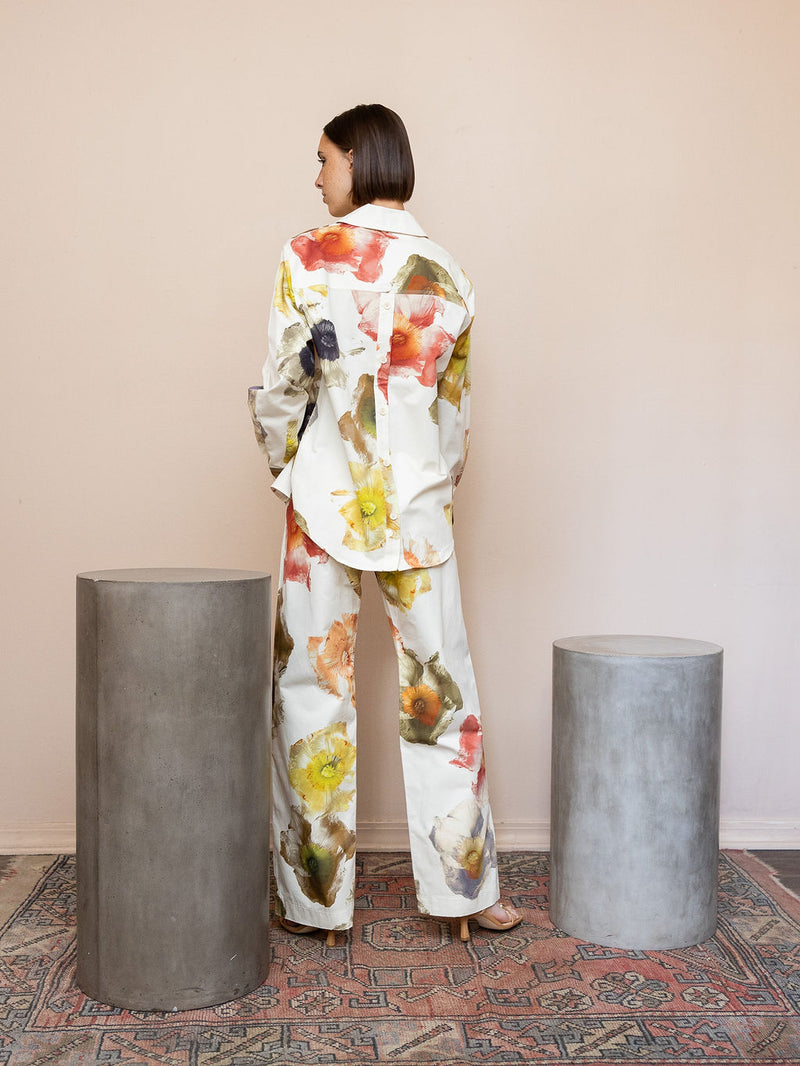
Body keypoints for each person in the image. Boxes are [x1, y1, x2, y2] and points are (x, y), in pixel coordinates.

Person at [249, 103, 521, 946]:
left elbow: (282, 389)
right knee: (441, 698)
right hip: (417, 509)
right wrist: (431, 488)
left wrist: (287, 465)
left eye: (325, 159)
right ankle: (466, 896)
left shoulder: (307, 254)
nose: (318, 175)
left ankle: (314, 904)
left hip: (326, 502)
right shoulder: (448, 272)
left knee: (309, 693)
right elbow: (454, 415)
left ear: (361, 161)